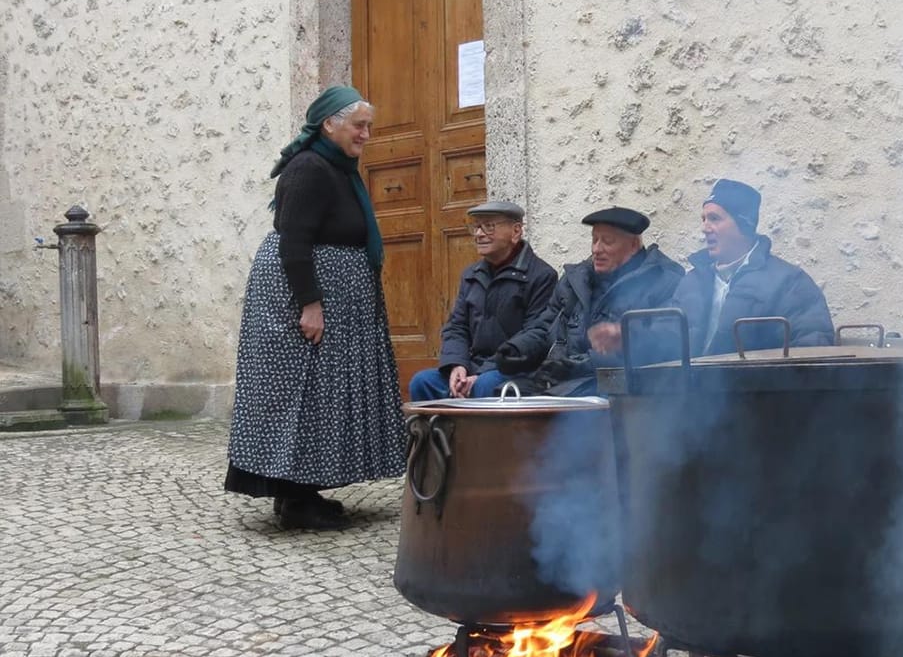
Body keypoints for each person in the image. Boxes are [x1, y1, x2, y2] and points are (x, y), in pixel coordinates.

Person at [224, 85, 406, 531]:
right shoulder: (309, 168)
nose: (366, 134)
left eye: (368, 126)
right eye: (359, 125)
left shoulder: (337, 167)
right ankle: (295, 498)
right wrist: (310, 304)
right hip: (302, 297)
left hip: (330, 296)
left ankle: (299, 492)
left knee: (316, 395)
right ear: (330, 124)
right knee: (300, 394)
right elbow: (295, 240)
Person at [508, 206, 685, 397]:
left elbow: (665, 341)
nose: (596, 249)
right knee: (499, 391)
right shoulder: (575, 280)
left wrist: (616, 341)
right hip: (560, 379)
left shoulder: (663, 280)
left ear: (633, 245)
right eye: (594, 240)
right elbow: (545, 327)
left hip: (618, 385)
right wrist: (517, 349)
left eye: (607, 241)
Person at [407, 200, 558, 400]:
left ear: (515, 231)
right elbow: (456, 327)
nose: (479, 234)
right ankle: (439, 432)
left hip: (518, 371)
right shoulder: (471, 274)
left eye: (489, 226)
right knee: (423, 382)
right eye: (476, 226)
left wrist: (481, 373)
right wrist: (457, 365)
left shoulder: (541, 276)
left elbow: (536, 335)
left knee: (486, 386)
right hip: (474, 366)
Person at [670, 178, 834, 355]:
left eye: (714, 218)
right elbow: (663, 341)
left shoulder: (790, 283)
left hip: (755, 382)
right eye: (703, 219)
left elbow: (813, 350)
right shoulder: (692, 281)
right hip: (686, 383)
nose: (705, 228)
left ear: (744, 224)